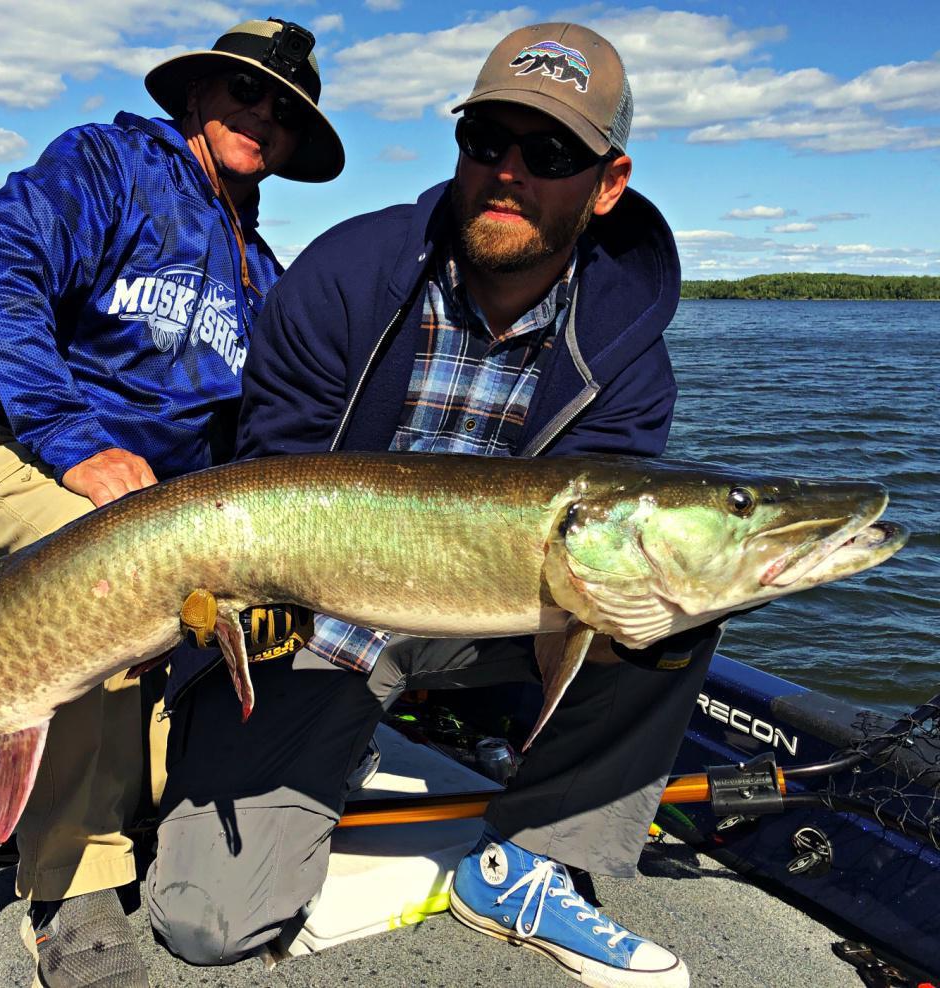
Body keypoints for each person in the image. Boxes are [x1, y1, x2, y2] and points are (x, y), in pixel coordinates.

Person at [149, 22, 716, 988]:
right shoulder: (344, 274)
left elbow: (595, 553)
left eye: (549, 153)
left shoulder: (628, 350)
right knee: (206, 925)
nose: (508, 171)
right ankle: (328, 747)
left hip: (498, 616)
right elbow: (275, 480)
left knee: (680, 581)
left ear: (607, 182)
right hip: (324, 620)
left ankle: (531, 855)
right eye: (485, 139)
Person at [0, 18, 343, 988]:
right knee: (115, 565)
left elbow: (259, 442)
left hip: (156, 515)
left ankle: (161, 795)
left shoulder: (261, 281)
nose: (260, 114)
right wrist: (74, 439)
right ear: (197, 95)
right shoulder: (105, 169)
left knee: (202, 594)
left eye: (283, 108)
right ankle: (74, 881)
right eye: (244, 89)